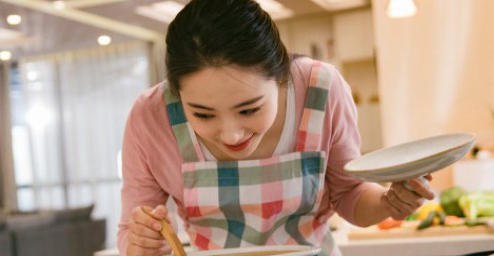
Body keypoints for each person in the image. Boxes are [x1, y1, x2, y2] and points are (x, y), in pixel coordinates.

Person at [117, 0, 434, 255]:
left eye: (249, 109)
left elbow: (350, 195)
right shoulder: (150, 116)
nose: (231, 134)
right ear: (176, 92)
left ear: (282, 78)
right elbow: (133, 230)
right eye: (203, 114)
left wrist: (388, 203)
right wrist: (143, 243)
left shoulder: (319, 90)